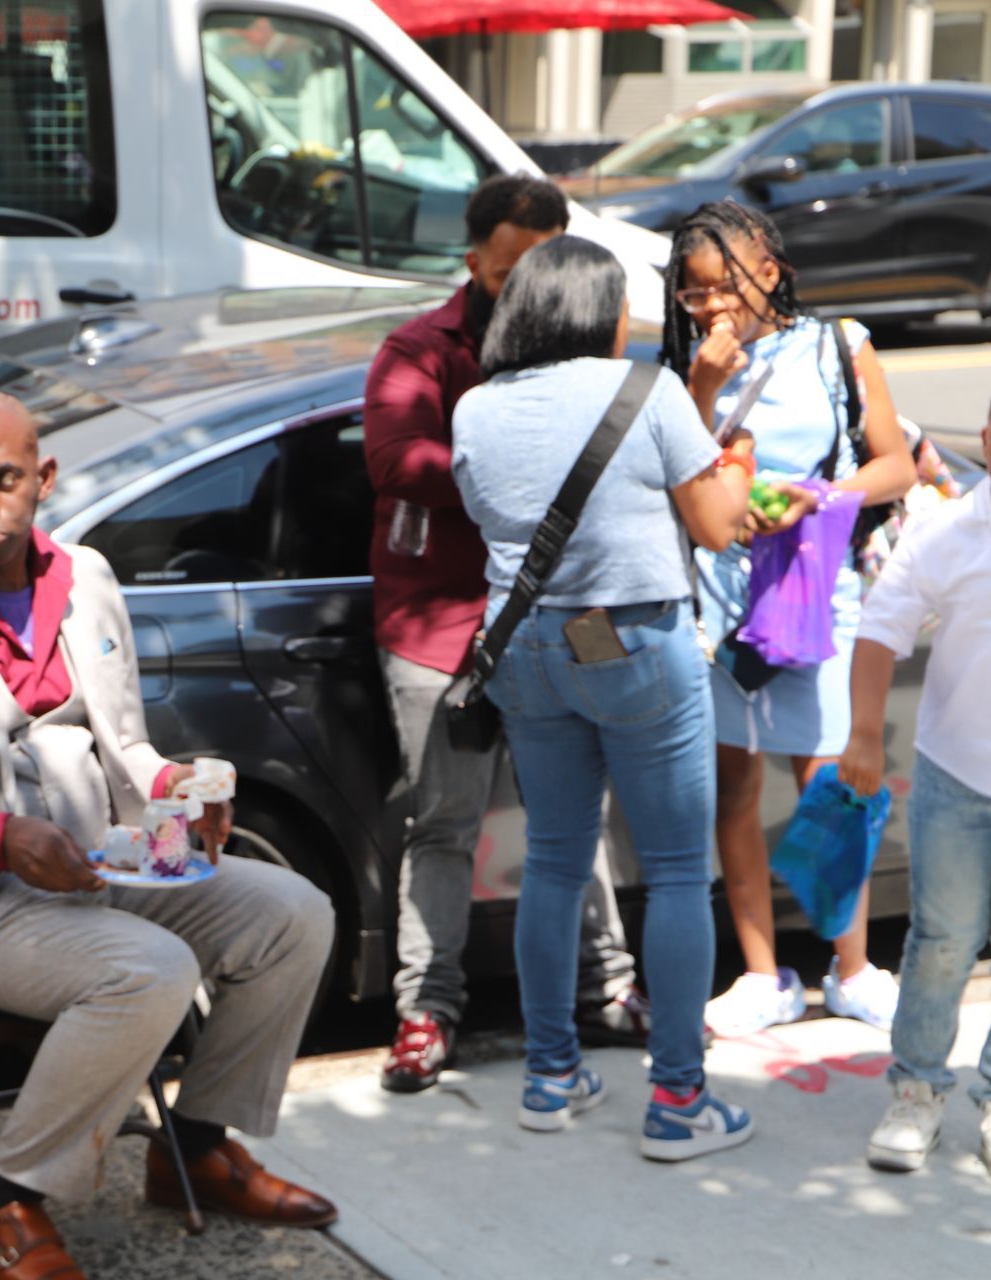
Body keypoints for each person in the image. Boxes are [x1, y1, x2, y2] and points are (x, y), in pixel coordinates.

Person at [0, 390, 339, 1280]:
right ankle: (2, 1200)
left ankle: (193, 1150)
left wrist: (172, 784)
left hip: (97, 867)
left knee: (295, 913)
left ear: (43, 478)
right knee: (150, 971)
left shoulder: (86, 578)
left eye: (3, 478)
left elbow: (123, 744)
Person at [452, 235, 756, 1159]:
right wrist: (733, 452)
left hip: (522, 646)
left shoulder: (474, 406)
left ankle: (550, 1077)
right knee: (675, 871)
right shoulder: (647, 390)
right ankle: (678, 1099)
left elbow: (484, 515)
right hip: (630, 640)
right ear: (600, 312)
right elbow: (718, 525)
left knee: (554, 860)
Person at [363, 173, 648, 1094]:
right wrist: (515, 465)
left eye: (546, 268)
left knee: (578, 813)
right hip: (442, 622)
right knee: (443, 824)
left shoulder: (589, 355)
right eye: (511, 270)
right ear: (473, 261)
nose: (531, 289)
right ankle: (426, 1013)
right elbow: (395, 461)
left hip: (571, 616)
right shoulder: (420, 349)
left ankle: (606, 989)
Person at [660, 200, 917, 1039]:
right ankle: (762, 974)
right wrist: (702, 386)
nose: (711, 306)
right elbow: (675, 473)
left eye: (724, 286)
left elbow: (894, 466)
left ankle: (853, 968)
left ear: (768, 271)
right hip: (723, 601)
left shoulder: (838, 346)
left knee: (829, 786)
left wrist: (819, 497)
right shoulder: (685, 366)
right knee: (735, 785)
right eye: (694, 292)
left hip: (816, 590)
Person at [841, 367, 991, 1190]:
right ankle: (918, 1089)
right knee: (940, 941)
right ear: (985, 438)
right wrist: (864, 734)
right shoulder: (948, 531)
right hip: (958, 775)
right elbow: (880, 627)